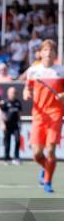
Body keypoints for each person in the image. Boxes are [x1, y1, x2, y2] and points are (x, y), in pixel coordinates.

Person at [23, 39, 64, 193]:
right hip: (39, 115)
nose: (48, 53)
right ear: (40, 53)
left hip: (55, 114)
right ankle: (46, 168)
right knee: (36, 154)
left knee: (51, 149)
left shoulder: (61, 70)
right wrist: (27, 93)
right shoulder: (33, 71)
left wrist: (62, 96)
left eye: (51, 50)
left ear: (55, 54)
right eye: (45, 50)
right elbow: (28, 89)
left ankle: (47, 181)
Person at [0, 86, 22, 165]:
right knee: (7, 142)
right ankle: (7, 158)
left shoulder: (18, 102)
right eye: (12, 92)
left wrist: (20, 123)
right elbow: (1, 113)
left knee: (18, 140)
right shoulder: (5, 102)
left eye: (15, 93)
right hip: (7, 125)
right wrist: (2, 123)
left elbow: (19, 114)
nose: (14, 94)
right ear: (8, 93)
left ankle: (16, 157)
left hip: (15, 125)